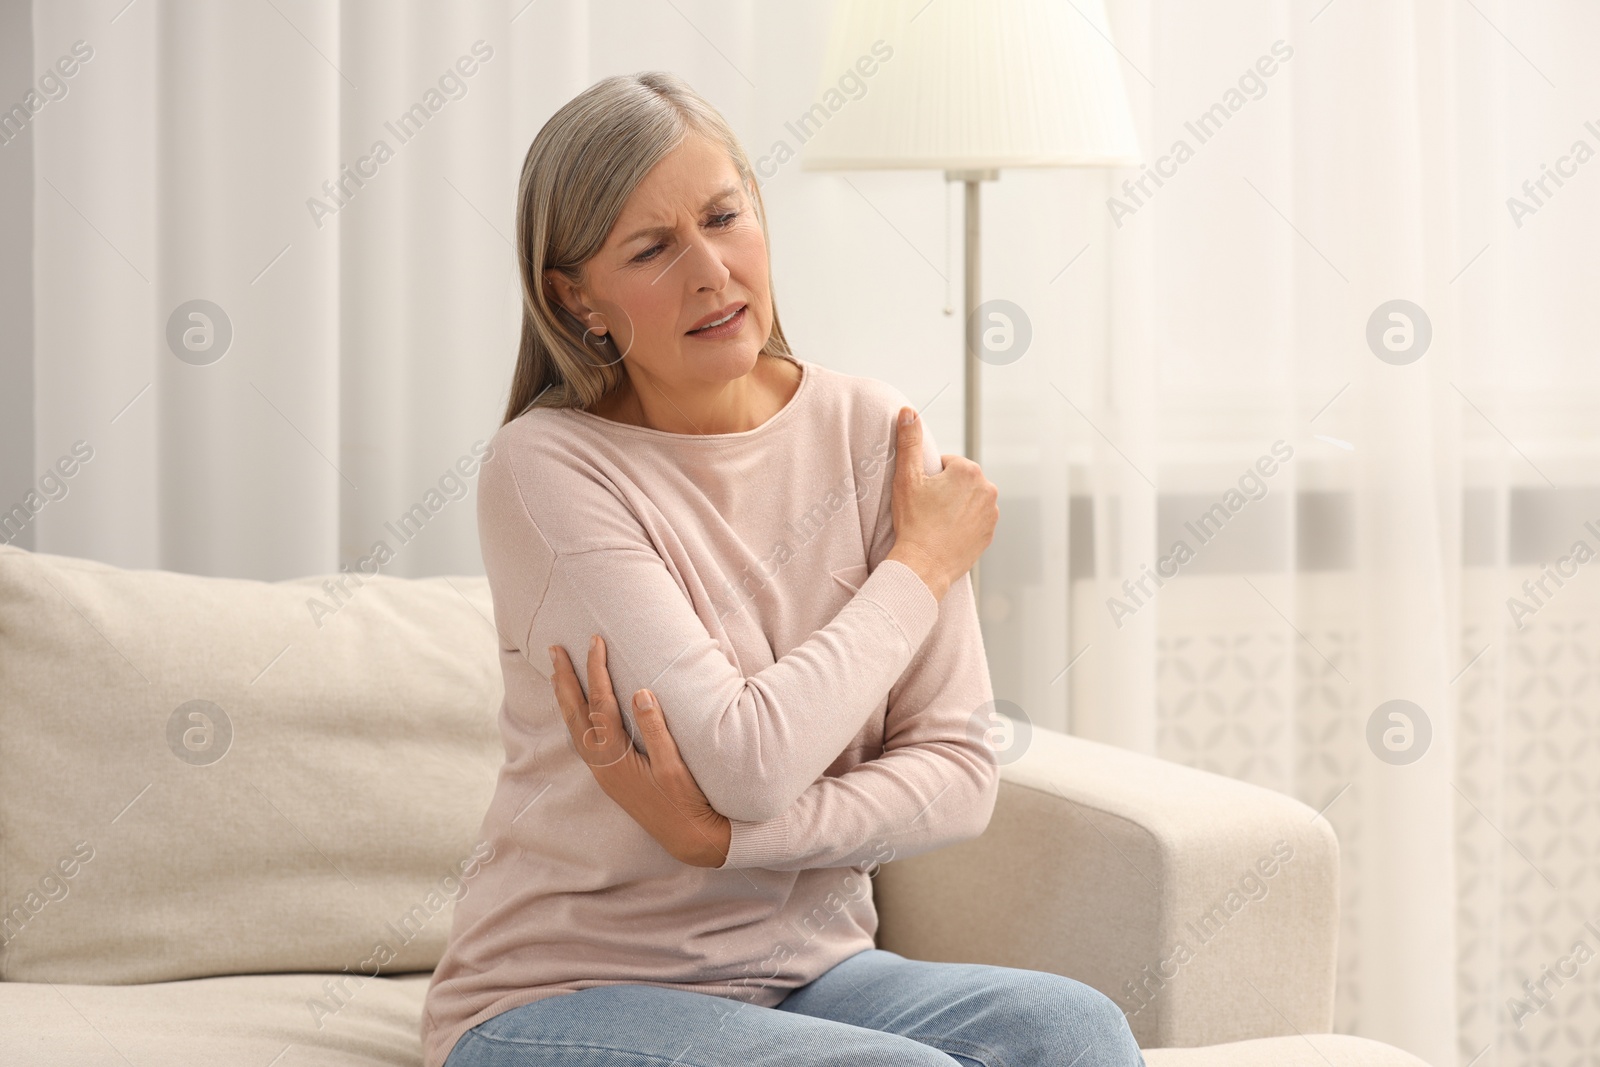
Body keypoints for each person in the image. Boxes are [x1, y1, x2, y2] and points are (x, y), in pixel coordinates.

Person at [421, 70, 1146, 1067]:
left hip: (810, 974)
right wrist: (919, 564)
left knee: (1072, 1028)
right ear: (574, 296)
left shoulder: (865, 428)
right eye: (652, 247)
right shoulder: (548, 468)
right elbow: (745, 757)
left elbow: (959, 772)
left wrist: (725, 842)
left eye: (725, 217)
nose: (711, 270)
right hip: (560, 994)